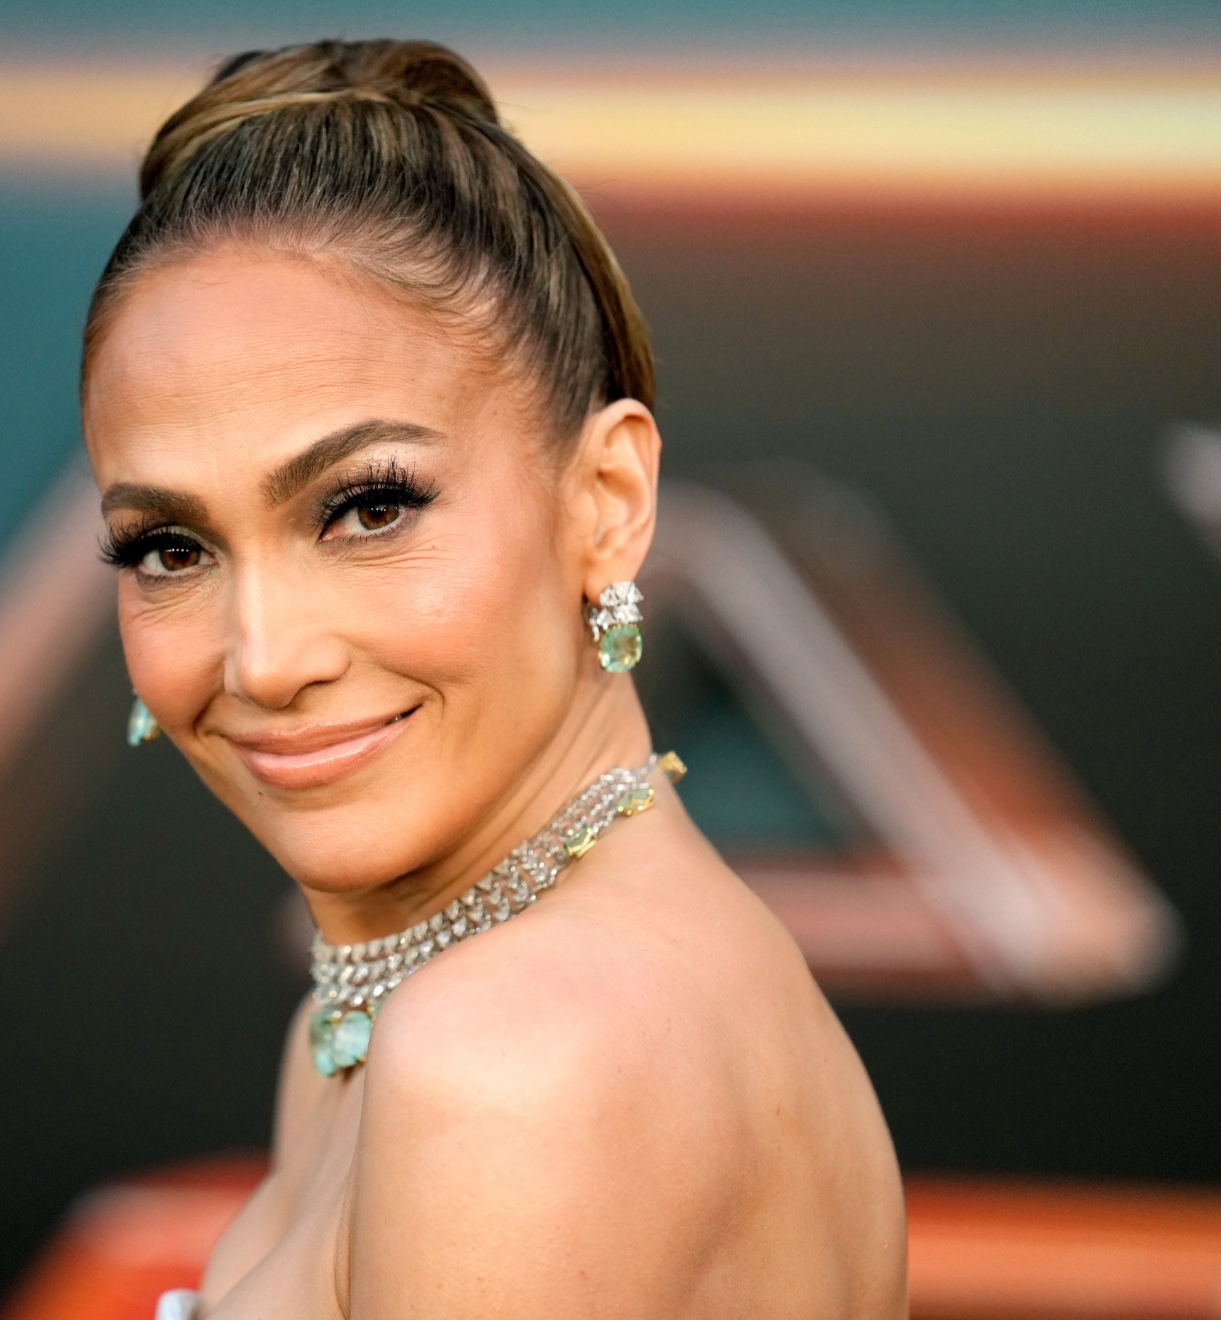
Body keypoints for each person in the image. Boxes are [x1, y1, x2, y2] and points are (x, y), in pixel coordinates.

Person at [82, 38, 907, 1318]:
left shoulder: (518, 1052)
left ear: (606, 501)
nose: (264, 658)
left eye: (366, 509)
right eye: (170, 548)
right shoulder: (379, 1020)